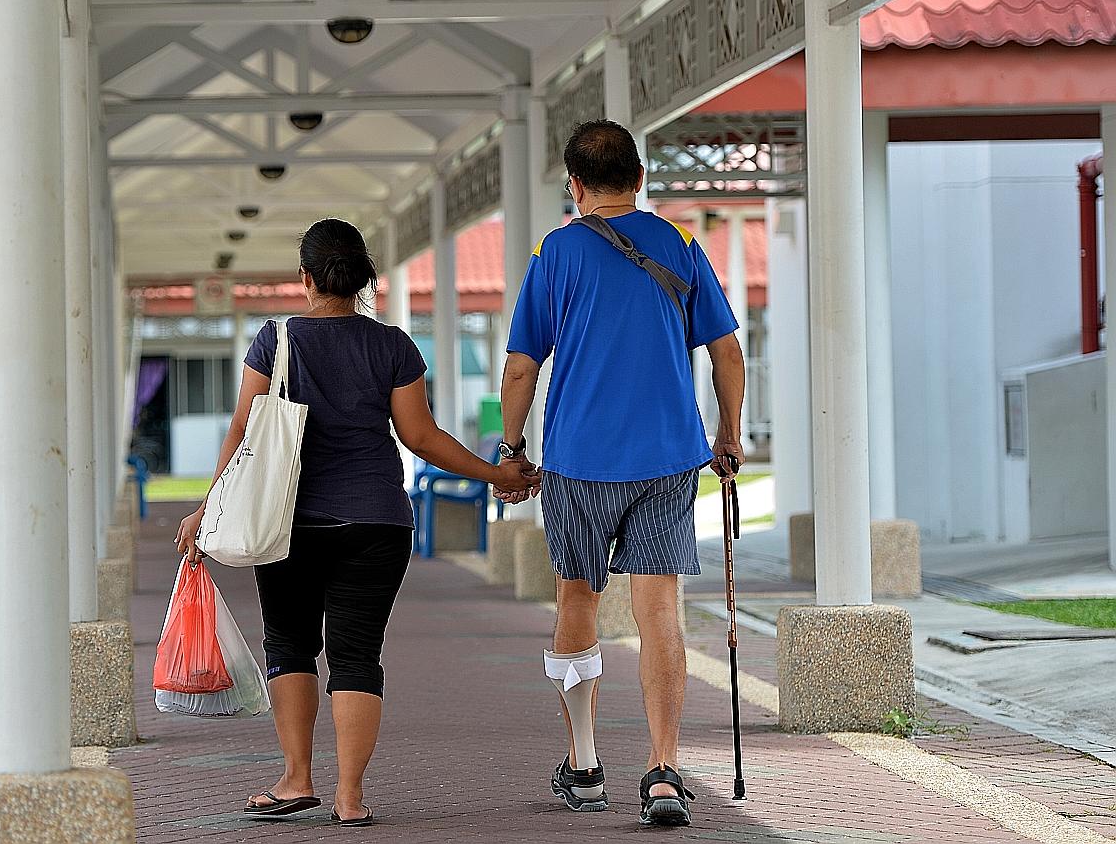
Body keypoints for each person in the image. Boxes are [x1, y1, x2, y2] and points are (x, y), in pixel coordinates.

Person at [176, 217, 539, 827]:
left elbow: (241, 433)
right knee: (356, 655)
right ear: (366, 278)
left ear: (307, 277)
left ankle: (295, 779)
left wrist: (209, 506)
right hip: (377, 522)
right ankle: (350, 797)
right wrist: (493, 474)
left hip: (286, 523)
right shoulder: (392, 345)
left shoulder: (276, 339)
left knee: (289, 645)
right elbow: (419, 437)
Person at [494, 120, 745, 828]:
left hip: (578, 460)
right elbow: (728, 353)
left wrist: (512, 446)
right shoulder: (681, 245)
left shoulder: (554, 253)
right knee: (658, 609)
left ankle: (583, 764)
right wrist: (727, 435)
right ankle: (663, 772)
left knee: (577, 600)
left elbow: (521, 365)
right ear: (638, 177)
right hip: (668, 457)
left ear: (575, 186)